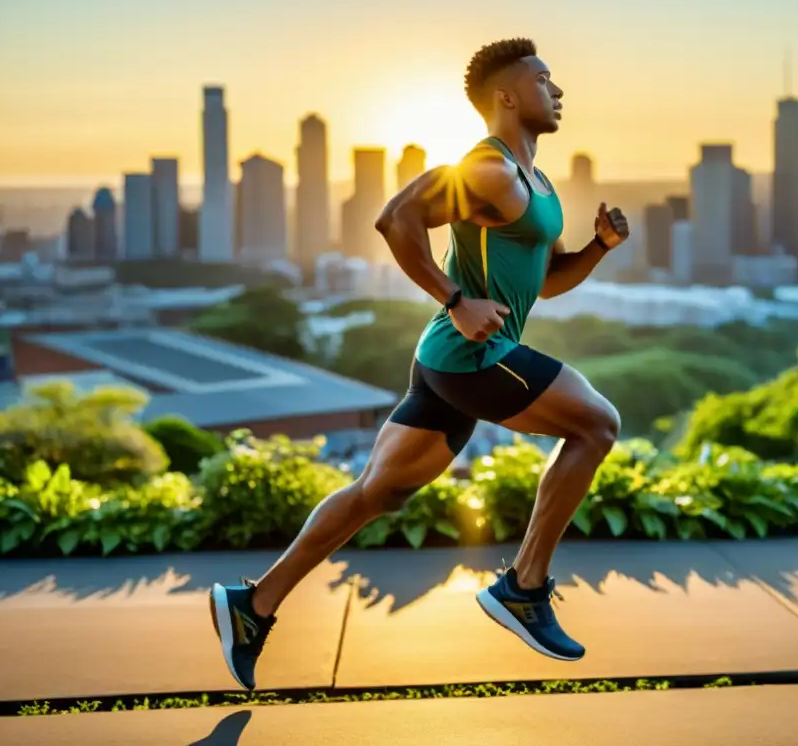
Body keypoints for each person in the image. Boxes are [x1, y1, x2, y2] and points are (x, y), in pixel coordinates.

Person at [209, 37, 630, 691]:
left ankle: (252, 606)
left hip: (449, 362)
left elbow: (543, 283)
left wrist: (598, 248)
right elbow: (394, 218)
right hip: (472, 356)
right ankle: (524, 586)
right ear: (508, 96)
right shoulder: (487, 169)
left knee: (377, 493)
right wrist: (456, 298)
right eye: (545, 80)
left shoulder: (536, 185)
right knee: (597, 424)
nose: (559, 91)